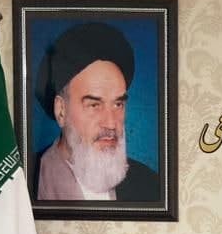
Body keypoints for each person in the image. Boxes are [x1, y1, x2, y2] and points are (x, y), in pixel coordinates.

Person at [33, 22, 160, 201]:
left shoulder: (150, 185)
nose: (111, 123)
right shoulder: (26, 183)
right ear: (61, 111)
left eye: (118, 104)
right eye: (94, 105)